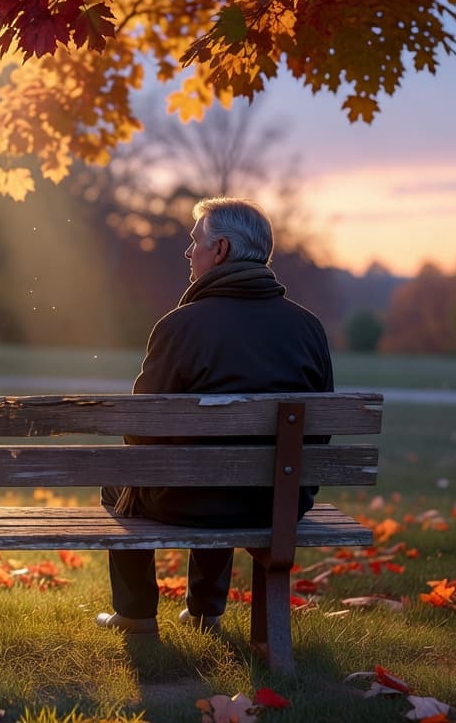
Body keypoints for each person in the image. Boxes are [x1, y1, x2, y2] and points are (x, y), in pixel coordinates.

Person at [95, 197, 333, 635]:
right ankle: (206, 610)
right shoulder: (309, 329)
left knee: (121, 477)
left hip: (188, 501)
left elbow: (138, 430)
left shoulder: (181, 325)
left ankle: (135, 614)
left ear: (220, 251)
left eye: (195, 242)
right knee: (229, 470)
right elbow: (319, 438)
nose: (189, 253)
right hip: (276, 503)